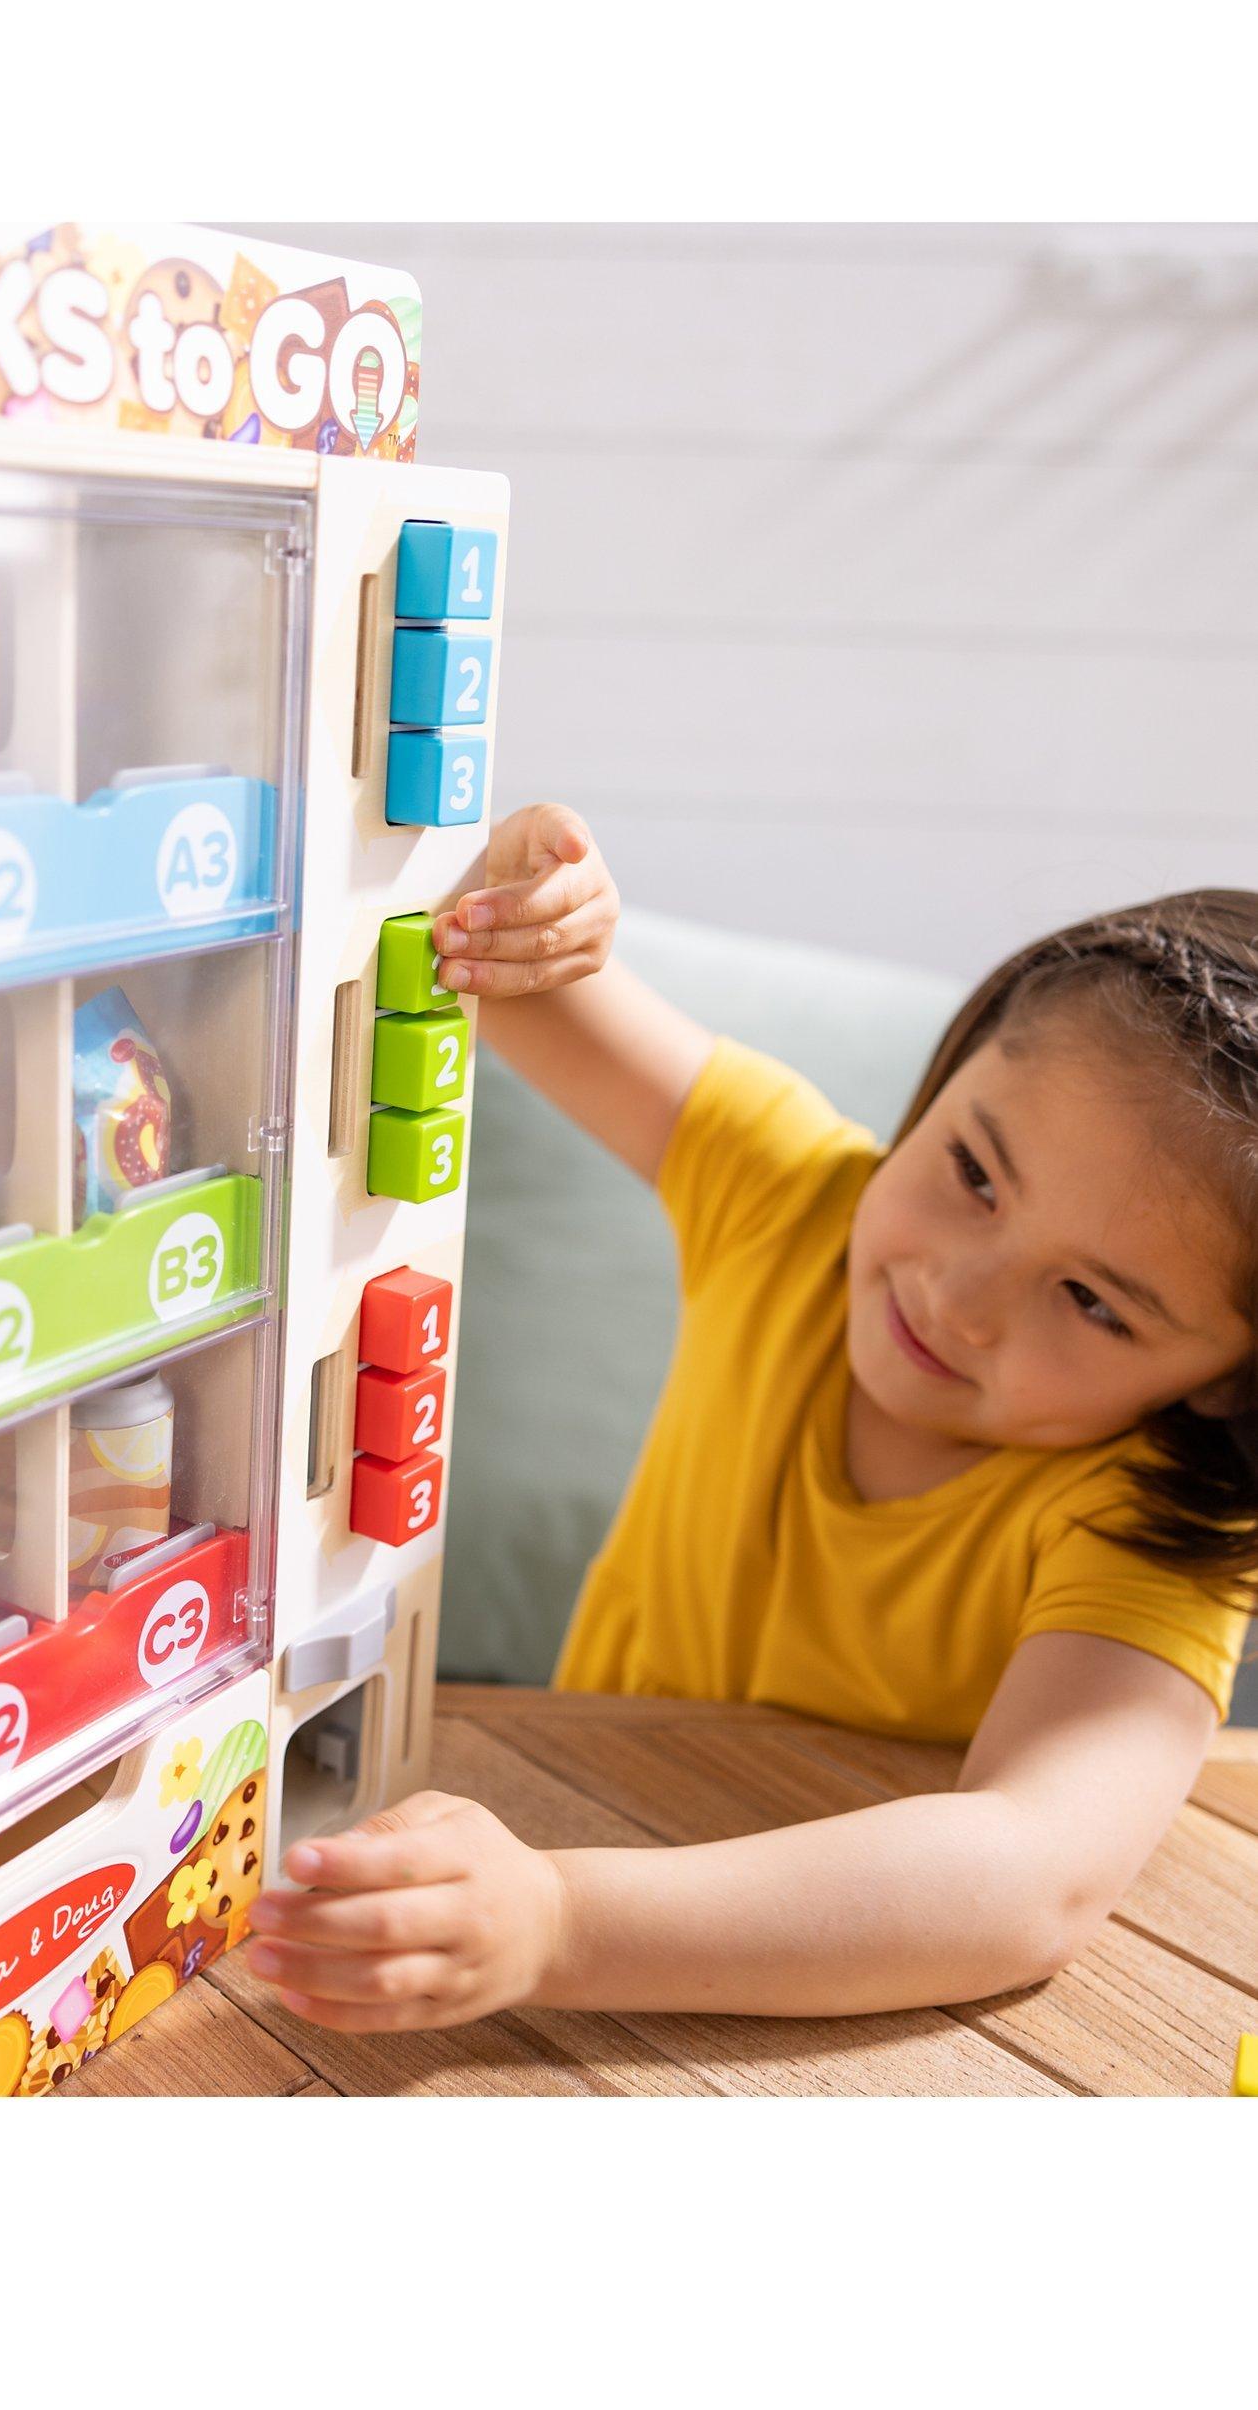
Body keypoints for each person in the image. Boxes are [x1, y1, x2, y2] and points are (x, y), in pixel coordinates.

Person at [246, 805, 1256, 2028]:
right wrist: (540, 911)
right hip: (575, 1806)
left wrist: (558, 1921)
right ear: (948, 1077)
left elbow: (1031, 1881)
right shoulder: (790, 1199)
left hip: (838, 2011)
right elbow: (500, 967)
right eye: (975, 1173)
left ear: (1230, 1378)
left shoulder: (1161, 1529)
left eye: (1092, 1302)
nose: (959, 1296)